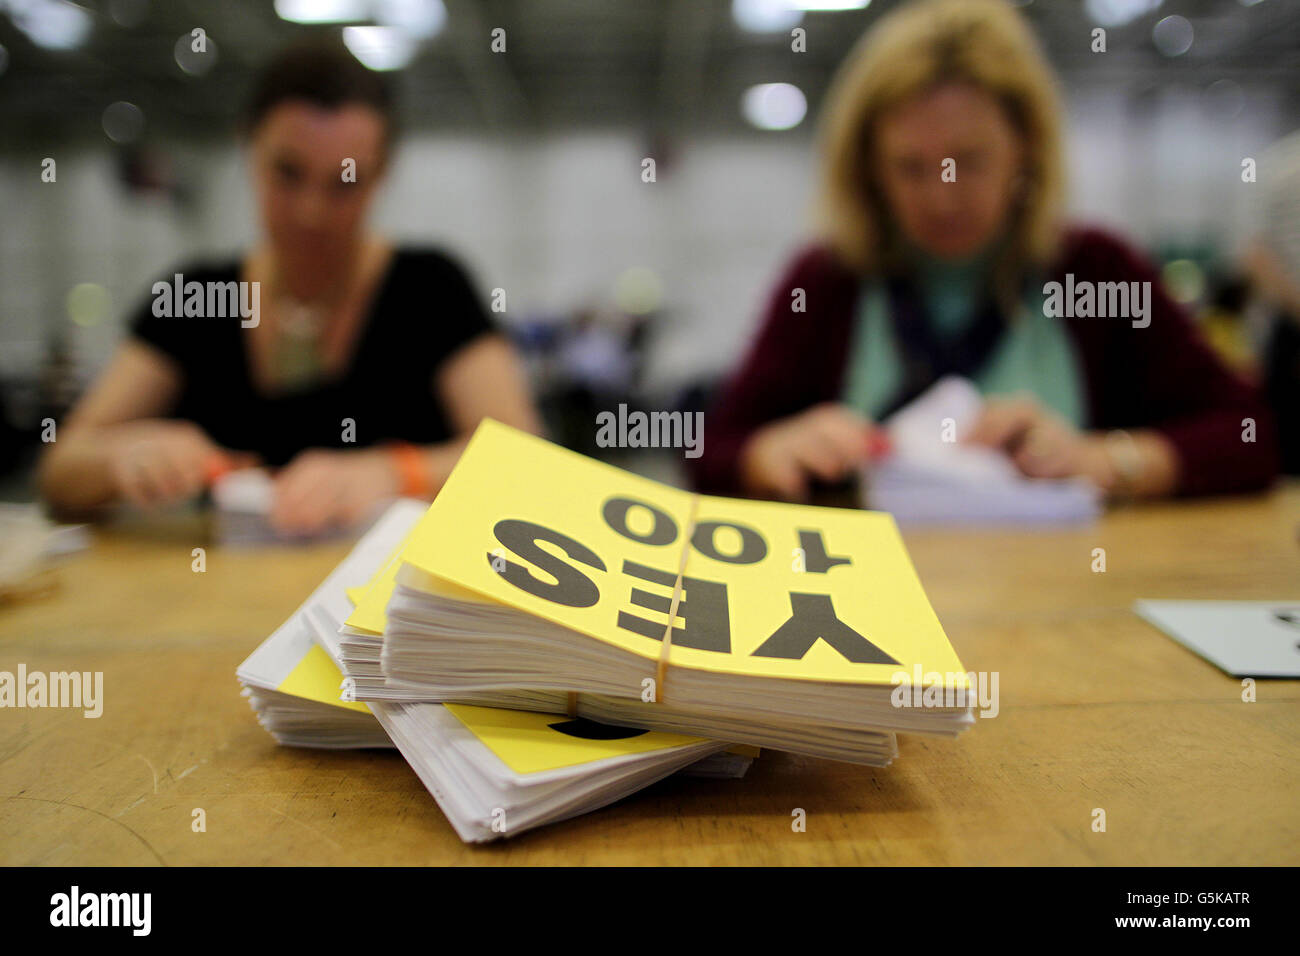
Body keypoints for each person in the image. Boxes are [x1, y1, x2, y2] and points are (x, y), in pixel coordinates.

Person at [691, 0, 1278, 502]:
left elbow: (1251, 434)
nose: (942, 198)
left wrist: (1102, 459)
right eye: (910, 167)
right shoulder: (826, 280)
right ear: (867, 169)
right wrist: (768, 452)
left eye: (969, 162)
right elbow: (710, 449)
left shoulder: (1095, 269)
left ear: (1026, 150)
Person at [39, 42, 541, 532]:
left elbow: (525, 459)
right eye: (288, 173)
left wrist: (396, 471)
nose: (311, 212)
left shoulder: (430, 288)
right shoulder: (196, 297)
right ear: (247, 147)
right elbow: (60, 472)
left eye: (344, 184)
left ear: (382, 173)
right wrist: (122, 457)